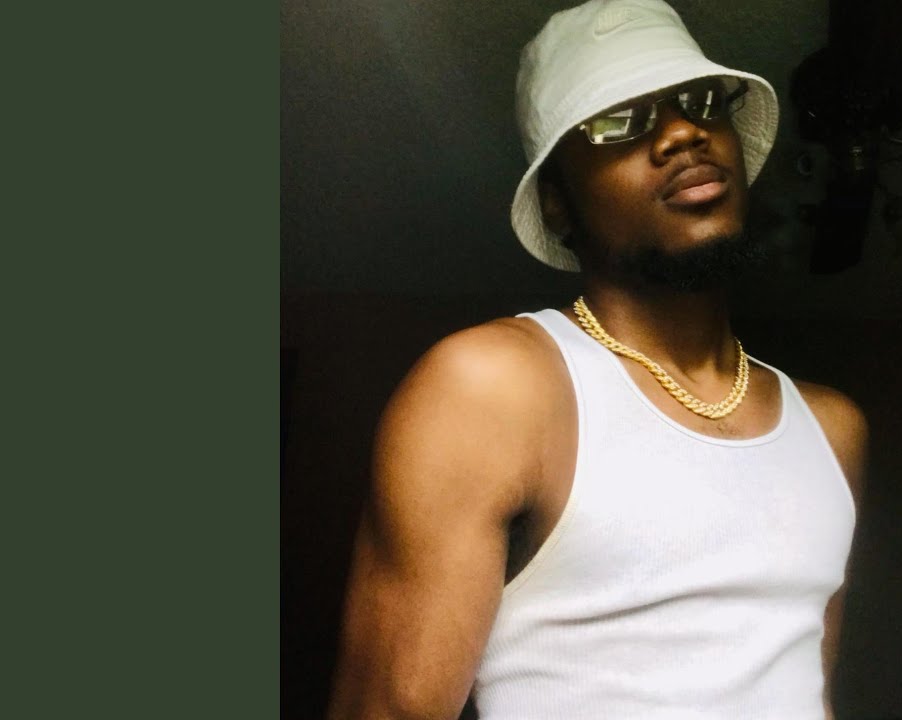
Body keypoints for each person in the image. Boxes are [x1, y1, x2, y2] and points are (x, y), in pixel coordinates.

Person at [327, 1, 867, 718]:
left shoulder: (832, 429)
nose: (683, 132)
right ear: (557, 204)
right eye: (619, 120)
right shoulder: (498, 387)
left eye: (702, 102)